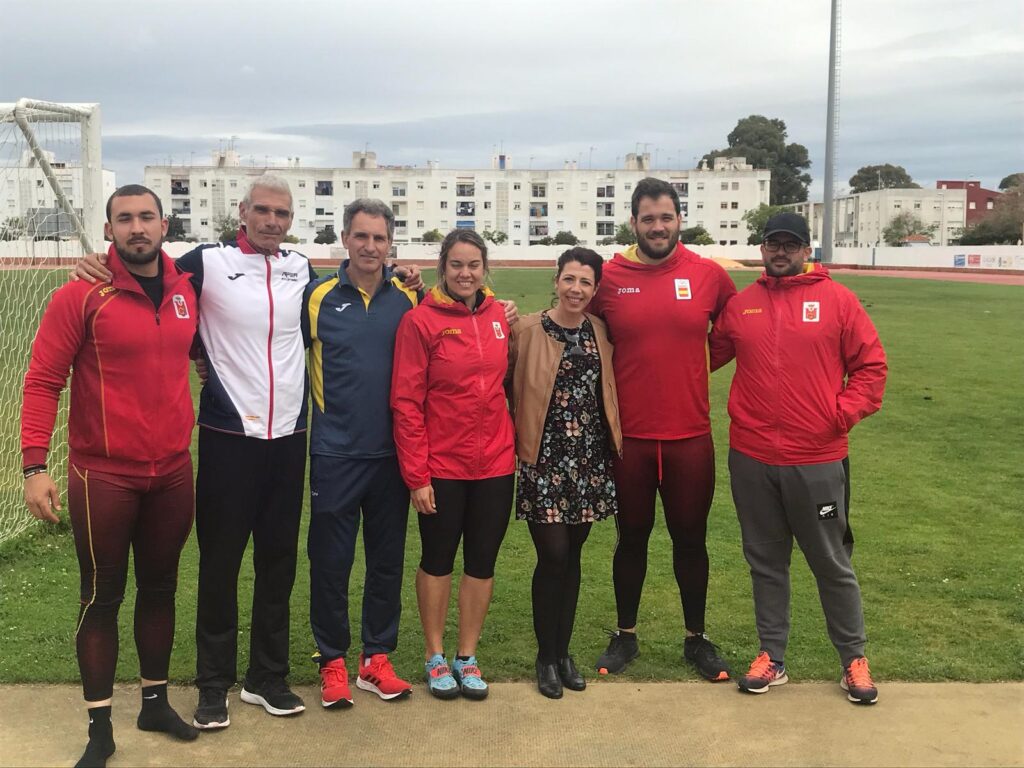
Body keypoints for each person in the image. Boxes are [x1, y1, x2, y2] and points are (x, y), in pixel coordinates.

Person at [21, 185, 200, 767]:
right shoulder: (79, 295)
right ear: (109, 229)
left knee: (161, 589)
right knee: (101, 596)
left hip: (173, 471)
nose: (137, 228)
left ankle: (154, 701)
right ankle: (100, 726)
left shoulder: (185, 289)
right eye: (124, 219)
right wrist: (33, 466)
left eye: (146, 216)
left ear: (165, 224)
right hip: (103, 475)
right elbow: (44, 380)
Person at [709, 212, 887, 705]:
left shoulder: (838, 301)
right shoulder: (742, 306)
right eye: (773, 244)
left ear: (807, 250)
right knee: (765, 561)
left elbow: (871, 367)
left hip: (817, 458)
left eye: (791, 244)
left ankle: (853, 659)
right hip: (752, 456)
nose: (781, 252)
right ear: (763, 249)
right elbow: (700, 356)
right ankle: (772, 657)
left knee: (830, 561)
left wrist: (840, 415)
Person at [588, 177, 737, 681]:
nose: (658, 226)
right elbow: (580, 331)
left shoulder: (709, 275)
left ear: (679, 220)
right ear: (633, 222)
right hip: (628, 437)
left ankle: (696, 638)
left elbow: (733, 332)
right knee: (630, 536)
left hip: (689, 436)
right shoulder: (609, 277)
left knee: (690, 539)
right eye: (648, 218)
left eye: (666, 217)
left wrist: (692, 368)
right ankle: (625, 636)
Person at [303, 199, 421, 708]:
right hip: (334, 452)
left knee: (386, 561)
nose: (370, 246)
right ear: (344, 239)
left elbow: (468, 295)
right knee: (330, 561)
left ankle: (376, 659)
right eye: (361, 236)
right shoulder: (317, 297)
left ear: (390, 243)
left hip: (392, 455)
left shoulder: (409, 299)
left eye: (379, 238)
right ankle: (332, 659)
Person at [390, 229, 516, 701]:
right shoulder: (420, 322)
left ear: (485, 270)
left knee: (482, 562)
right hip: (442, 465)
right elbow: (406, 403)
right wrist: (417, 476)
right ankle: (435, 654)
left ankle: (467, 655)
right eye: (457, 265)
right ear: (442, 268)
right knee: (438, 560)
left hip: (496, 465)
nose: (466, 274)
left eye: (474, 265)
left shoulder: (499, 317)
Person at [509, 247, 622, 699]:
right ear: (556, 281)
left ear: (595, 290)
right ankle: (544, 656)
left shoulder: (600, 330)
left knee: (573, 559)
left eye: (586, 283)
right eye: (570, 280)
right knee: (552, 557)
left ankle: (563, 653)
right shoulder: (526, 329)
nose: (577, 289)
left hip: (589, 460)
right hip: (544, 459)